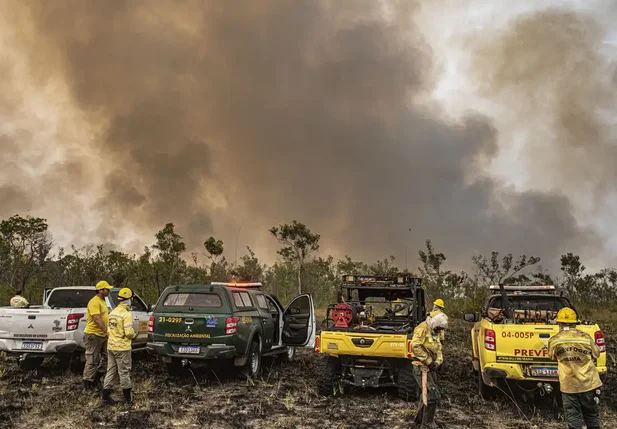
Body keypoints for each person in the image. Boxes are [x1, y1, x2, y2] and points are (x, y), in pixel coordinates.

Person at [548, 307, 602, 429]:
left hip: (569, 386)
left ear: (560, 324)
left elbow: (551, 356)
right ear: (575, 323)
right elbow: (597, 354)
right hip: (589, 383)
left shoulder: (555, 340)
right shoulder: (586, 337)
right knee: (591, 415)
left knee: (573, 419)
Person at [410, 312, 448, 428]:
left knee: (428, 393)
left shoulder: (437, 331)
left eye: (440, 329)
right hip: (421, 366)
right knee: (432, 394)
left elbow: (438, 348)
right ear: (434, 324)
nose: (439, 331)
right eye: (438, 329)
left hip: (431, 366)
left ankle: (419, 420)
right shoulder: (422, 329)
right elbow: (415, 346)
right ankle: (427, 424)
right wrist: (428, 361)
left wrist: (438, 362)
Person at [102, 287, 137, 405]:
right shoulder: (126, 314)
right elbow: (128, 333)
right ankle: (127, 398)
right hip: (122, 348)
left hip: (111, 346)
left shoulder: (113, 312)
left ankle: (105, 396)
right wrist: (134, 335)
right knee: (124, 372)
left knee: (111, 371)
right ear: (129, 299)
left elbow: (109, 330)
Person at [83, 280, 112, 391]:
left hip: (103, 335)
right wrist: (107, 331)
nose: (108, 291)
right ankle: (87, 385)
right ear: (100, 290)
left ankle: (96, 378)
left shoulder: (103, 301)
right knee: (92, 360)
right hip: (93, 335)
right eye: (106, 289)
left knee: (108, 357)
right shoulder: (94, 302)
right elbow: (97, 319)